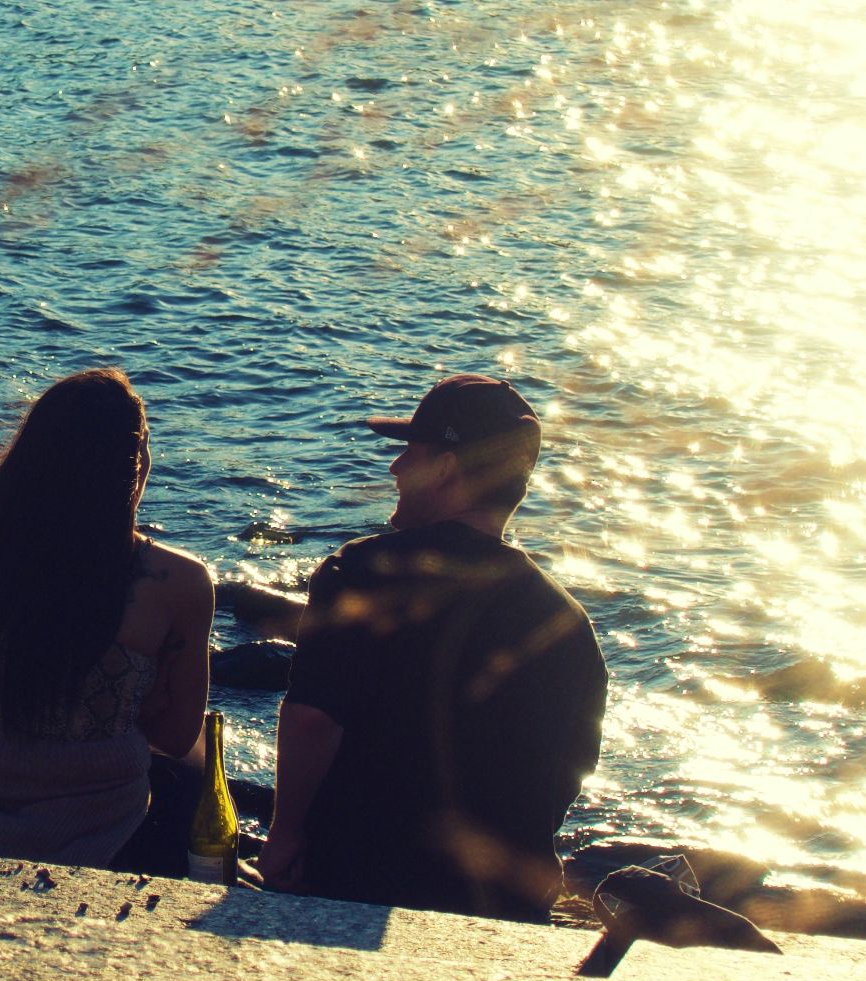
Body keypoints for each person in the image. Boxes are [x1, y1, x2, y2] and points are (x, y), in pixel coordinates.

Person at [258, 374, 607, 921]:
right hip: (498, 906)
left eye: (409, 452)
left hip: (354, 880)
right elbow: (565, 774)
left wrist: (284, 835)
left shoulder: (361, 572)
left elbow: (311, 721)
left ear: (445, 466)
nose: (395, 469)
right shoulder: (565, 620)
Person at [0, 369, 214, 868]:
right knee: (199, 756)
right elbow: (177, 737)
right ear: (136, 464)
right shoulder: (176, 581)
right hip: (101, 821)